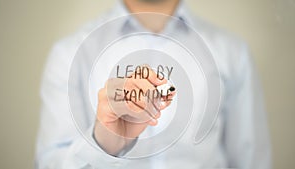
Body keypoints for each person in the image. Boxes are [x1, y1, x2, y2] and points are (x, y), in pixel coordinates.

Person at [35, 0, 272, 168]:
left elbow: (251, 161)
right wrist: (102, 144)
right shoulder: (70, 53)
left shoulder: (232, 52)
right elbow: (49, 164)